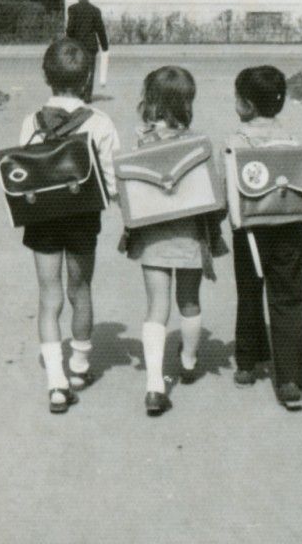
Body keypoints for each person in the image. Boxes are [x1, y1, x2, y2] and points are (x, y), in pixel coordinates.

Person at [19, 38, 119, 414]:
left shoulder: (31, 121)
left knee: (49, 297)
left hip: (42, 217)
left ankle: (56, 383)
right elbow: (111, 178)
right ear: (87, 78)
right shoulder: (100, 122)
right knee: (81, 289)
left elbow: (24, 171)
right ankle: (78, 368)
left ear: (46, 76)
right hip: (82, 218)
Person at [124, 66, 224, 417]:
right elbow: (217, 194)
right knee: (189, 301)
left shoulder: (141, 145)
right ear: (188, 101)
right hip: (189, 237)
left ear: (150, 101)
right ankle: (188, 359)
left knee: (156, 306)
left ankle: (154, 385)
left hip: (153, 236)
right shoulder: (198, 145)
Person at [228, 66, 302, 411]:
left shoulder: (235, 141)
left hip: (248, 227)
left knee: (249, 290)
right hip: (289, 225)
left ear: (246, 105)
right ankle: (290, 379)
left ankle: (247, 364)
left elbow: (228, 191)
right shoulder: (292, 141)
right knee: (288, 294)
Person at [66, 0, 109, 104]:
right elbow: (100, 29)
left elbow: (70, 29)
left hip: (77, 46)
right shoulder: (95, 10)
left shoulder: (72, 9)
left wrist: (68, 43)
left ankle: (78, 93)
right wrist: (105, 46)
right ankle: (87, 96)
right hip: (90, 46)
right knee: (89, 71)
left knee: (77, 70)